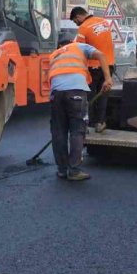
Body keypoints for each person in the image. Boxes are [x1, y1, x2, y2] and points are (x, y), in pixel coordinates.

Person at [48, 38, 112, 181]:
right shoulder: (79, 46)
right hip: (76, 92)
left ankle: (62, 170)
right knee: (77, 130)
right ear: (71, 42)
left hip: (56, 94)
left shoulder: (54, 55)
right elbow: (101, 55)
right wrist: (107, 79)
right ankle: (74, 170)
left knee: (58, 132)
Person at [69, 6, 116, 133]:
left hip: (93, 67)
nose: (76, 23)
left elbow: (79, 49)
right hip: (109, 64)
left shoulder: (83, 28)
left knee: (89, 95)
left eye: (75, 21)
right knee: (103, 94)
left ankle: (88, 123)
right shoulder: (105, 22)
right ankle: (100, 123)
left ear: (78, 16)